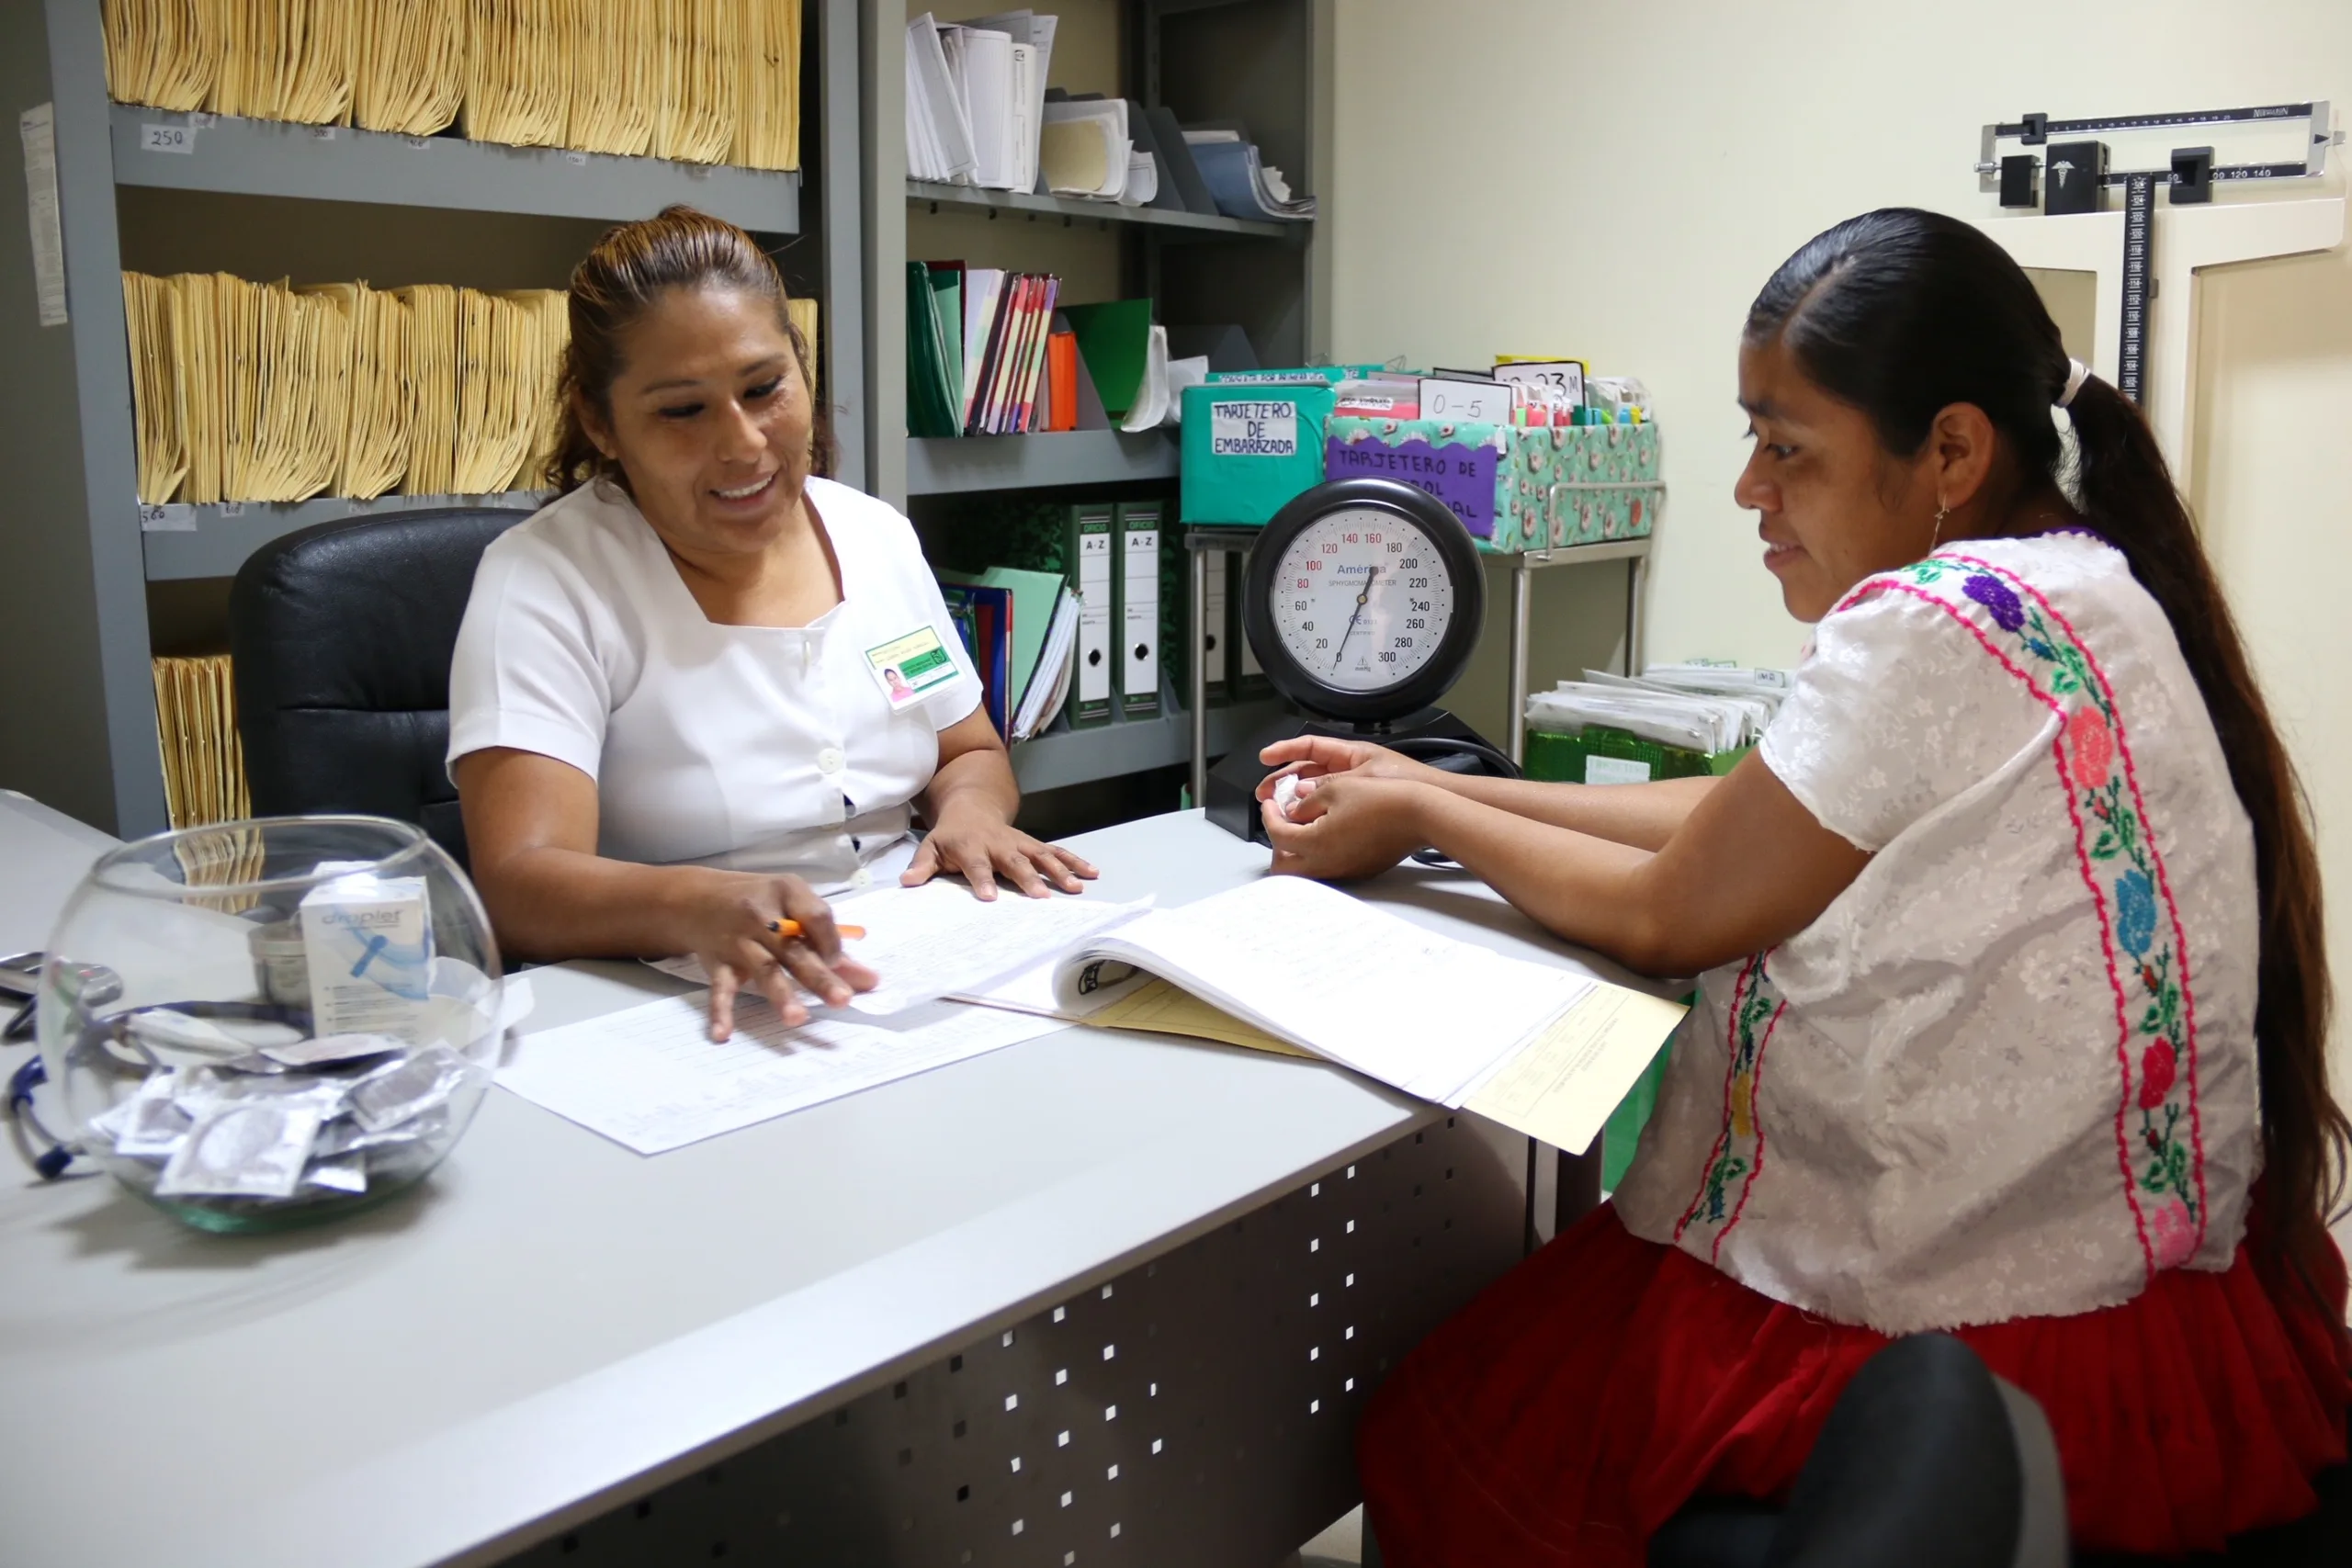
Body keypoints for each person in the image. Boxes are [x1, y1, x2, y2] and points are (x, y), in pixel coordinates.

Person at [1257, 209, 2351, 1562]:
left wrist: (1420, 809)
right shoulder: (2082, 583)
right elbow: (1757, 814)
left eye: (1787, 448)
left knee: (1448, 1430)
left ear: (1951, 449)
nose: (1748, 491)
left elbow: (1676, 911)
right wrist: (1448, 785)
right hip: (2150, 1310)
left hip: (1975, 1319)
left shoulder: (1934, 622)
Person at [448, 206, 1093, 1041]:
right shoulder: (543, 581)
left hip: (916, 953)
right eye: (683, 411)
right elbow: (519, 882)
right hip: (665, 994)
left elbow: (966, 750)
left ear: (802, 368)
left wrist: (972, 813)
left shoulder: (874, 535)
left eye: (765, 389)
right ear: (601, 422)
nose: (744, 444)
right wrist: (699, 904)